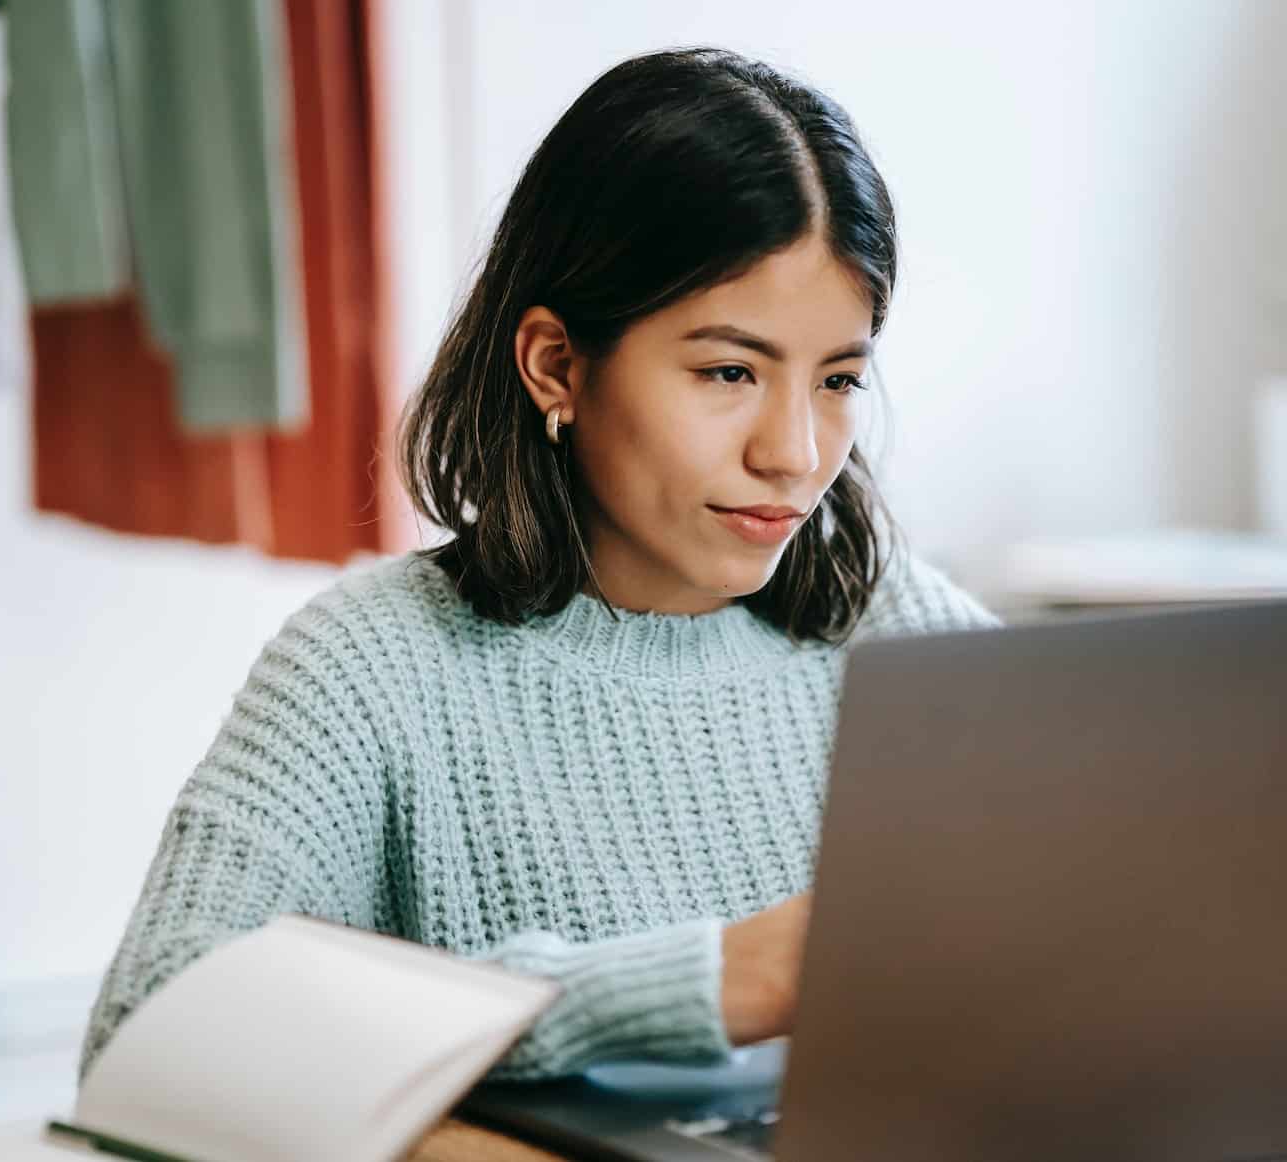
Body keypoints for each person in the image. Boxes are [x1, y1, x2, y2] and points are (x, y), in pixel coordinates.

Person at [79, 46, 998, 1084]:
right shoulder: (372, 669)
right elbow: (145, 1034)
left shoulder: (908, 635)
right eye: (729, 370)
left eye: (836, 380)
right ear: (556, 363)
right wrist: (697, 982)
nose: (792, 451)